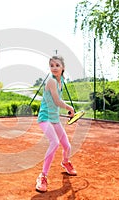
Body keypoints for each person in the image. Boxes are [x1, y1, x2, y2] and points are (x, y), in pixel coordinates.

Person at [35, 55, 77, 192]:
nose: (54, 68)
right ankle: (43, 176)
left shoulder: (62, 81)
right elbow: (57, 101)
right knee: (54, 143)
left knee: (67, 146)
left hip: (54, 118)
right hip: (44, 118)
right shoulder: (51, 81)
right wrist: (70, 108)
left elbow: (56, 102)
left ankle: (65, 162)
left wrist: (61, 111)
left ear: (63, 68)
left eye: (57, 65)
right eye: (52, 65)